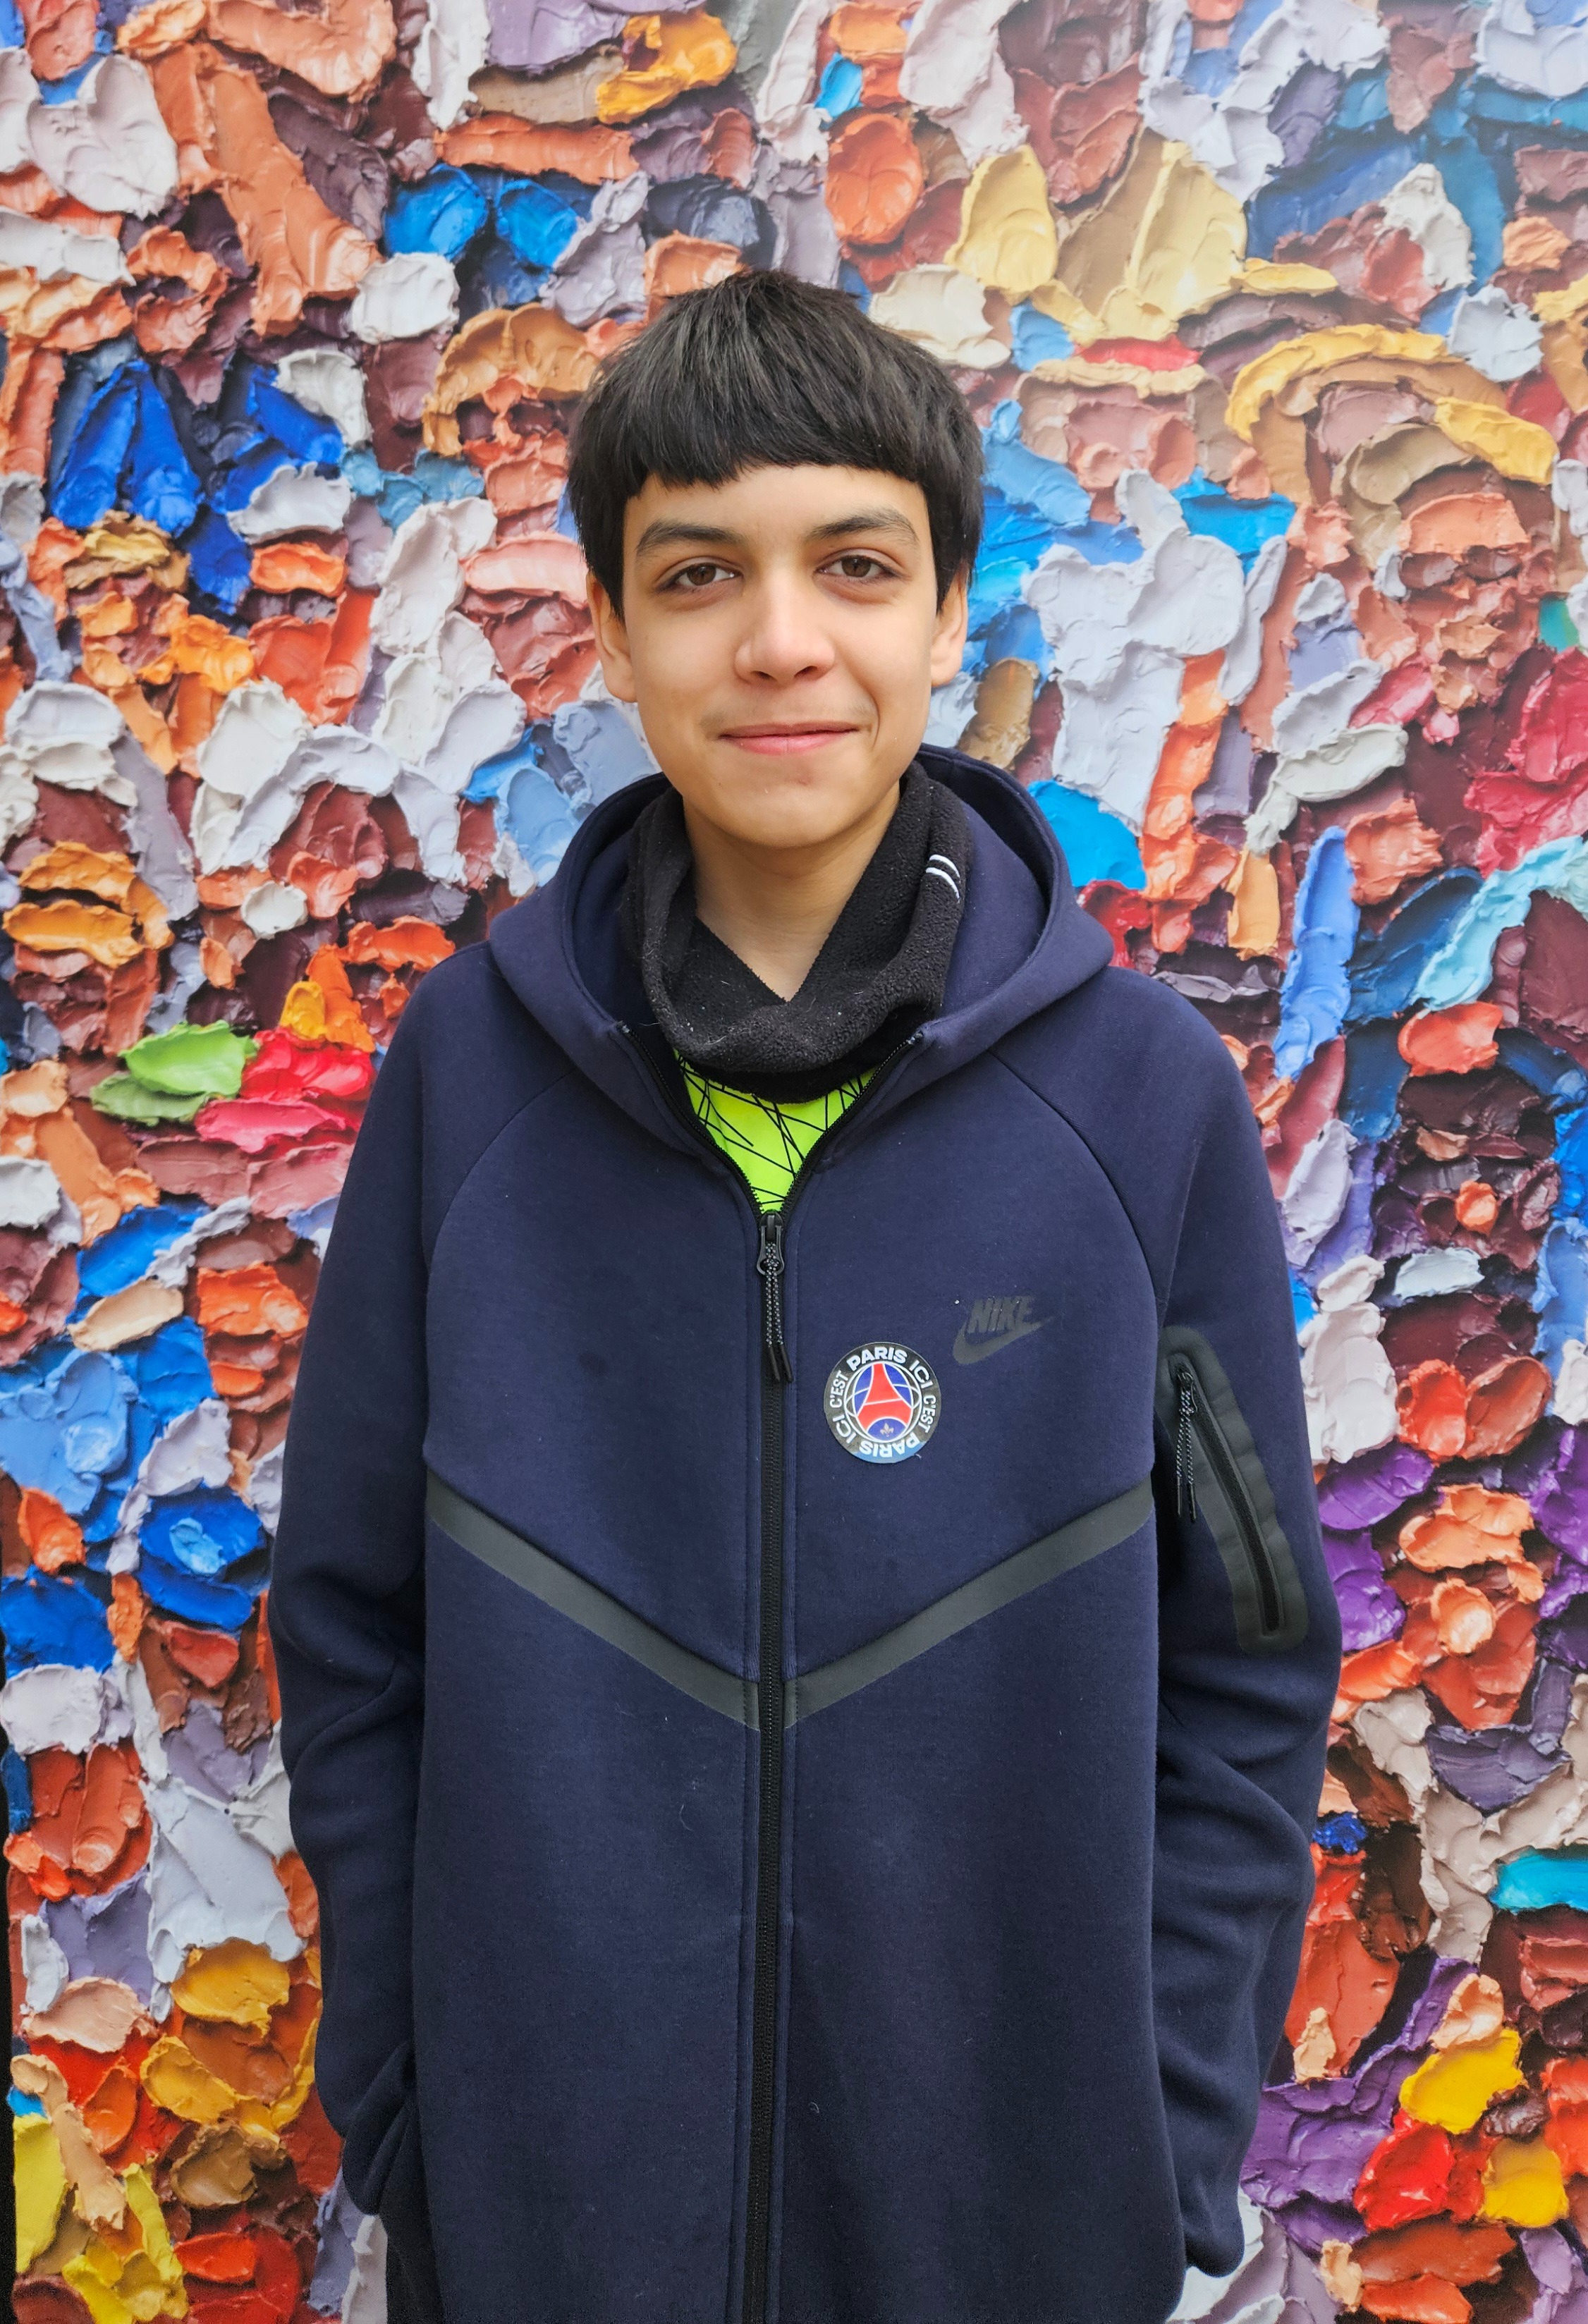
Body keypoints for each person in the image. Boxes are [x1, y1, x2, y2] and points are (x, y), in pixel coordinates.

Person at [267, 269, 1343, 2324]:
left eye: (854, 565)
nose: (780, 640)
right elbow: (350, 1622)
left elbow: (1248, 1649)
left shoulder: (1140, 1102)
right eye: (699, 574)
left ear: (947, 618)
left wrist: (1164, 2123)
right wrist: (416, 2102)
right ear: (612, 633)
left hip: (1010, 2226)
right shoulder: (467, 1083)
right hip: (550, 2226)